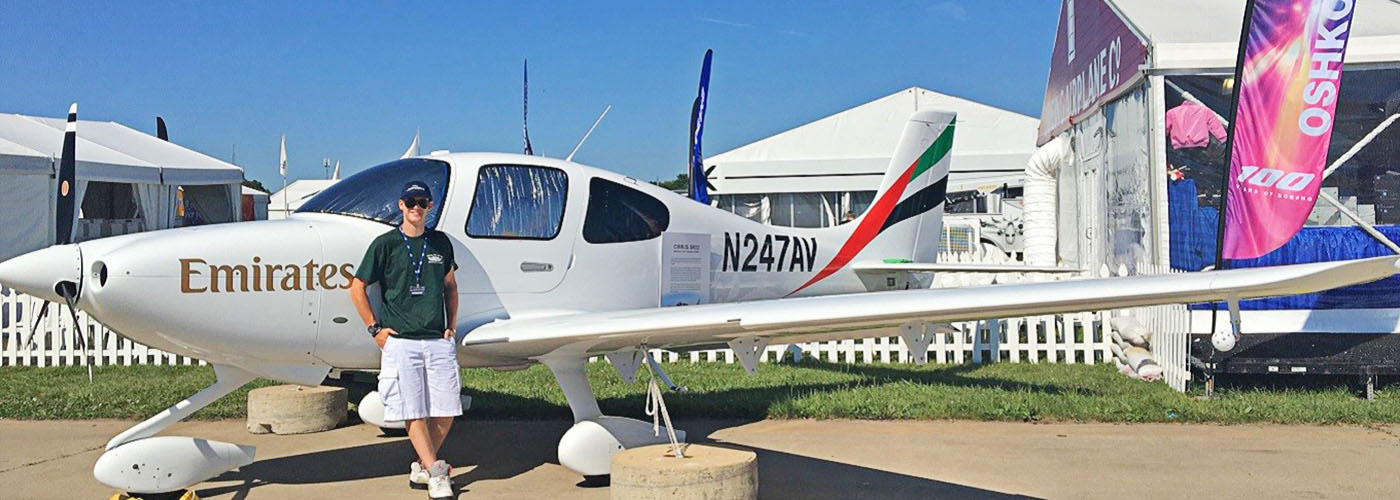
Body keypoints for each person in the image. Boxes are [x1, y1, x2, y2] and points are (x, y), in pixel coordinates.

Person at [348, 180, 461, 500]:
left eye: (422, 202)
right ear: (401, 205)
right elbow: (357, 287)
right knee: (413, 409)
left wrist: (450, 325)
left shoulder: (440, 243)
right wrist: (375, 330)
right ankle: (437, 472)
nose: (416, 207)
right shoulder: (384, 244)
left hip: (437, 340)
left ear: (429, 207)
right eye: (410, 201)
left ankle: (423, 465)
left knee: (447, 408)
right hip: (401, 342)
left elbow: (450, 286)